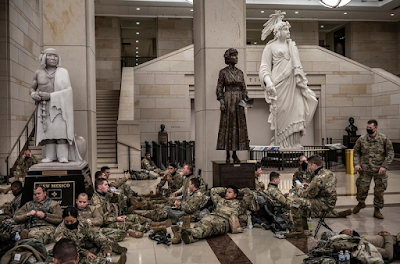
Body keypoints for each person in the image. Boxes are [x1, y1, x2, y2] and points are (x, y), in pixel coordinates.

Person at [259, 11, 317, 149]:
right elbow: (264, 67)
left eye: (288, 29)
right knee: (282, 114)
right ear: (278, 31)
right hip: (279, 85)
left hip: (294, 85)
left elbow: (298, 67)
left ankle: (294, 143)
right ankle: (281, 144)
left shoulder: (292, 47)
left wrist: (304, 84)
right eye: (285, 29)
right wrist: (269, 82)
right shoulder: (270, 47)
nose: (288, 31)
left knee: (298, 112)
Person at [30, 48, 82, 163]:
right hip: (44, 107)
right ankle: (50, 156)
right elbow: (32, 88)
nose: (53, 58)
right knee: (48, 133)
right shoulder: (38, 73)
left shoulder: (63, 72)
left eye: (55, 56)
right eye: (50, 56)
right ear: (44, 57)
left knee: (61, 132)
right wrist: (33, 94)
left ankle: (62, 156)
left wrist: (51, 96)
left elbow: (68, 91)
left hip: (60, 108)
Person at [180, 186, 253, 244]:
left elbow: (249, 193)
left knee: (210, 226)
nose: (227, 193)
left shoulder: (240, 204)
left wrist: (239, 190)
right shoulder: (220, 201)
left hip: (224, 220)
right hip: (213, 216)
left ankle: (191, 232)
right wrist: (225, 189)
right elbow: (213, 191)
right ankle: (190, 239)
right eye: (226, 192)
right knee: (202, 222)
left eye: (229, 192)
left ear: (235, 195)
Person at [55, 207, 127, 264]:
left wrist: (105, 246)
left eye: (72, 221)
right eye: (67, 221)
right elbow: (67, 249)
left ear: (77, 218)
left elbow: (94, 234)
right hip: (74, 254)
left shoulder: (83, 223)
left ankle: (112, 249)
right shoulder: (60, 231)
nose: (69, 223)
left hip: (87, 245)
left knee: (104, 242)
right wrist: (86, 253)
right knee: (89, 260)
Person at [353, 119, 394, 219]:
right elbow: (356, 152)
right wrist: (356, 164)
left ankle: (377, 210)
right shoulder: (362, 139)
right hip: (365, 169)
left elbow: (390, 153)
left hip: (379, 170)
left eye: (370, 128)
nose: (368, 130)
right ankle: (361, 203)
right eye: (367, 128)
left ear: (376, 128)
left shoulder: (383, 139)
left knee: (379, 191)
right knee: (361, 188)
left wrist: (384, 166)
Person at [291, 156, 352, 220]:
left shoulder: (318, 178)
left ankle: (330, 214)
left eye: (309, 166)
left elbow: (308, 195)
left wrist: (298, 188)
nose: (309, 168)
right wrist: (310, 185)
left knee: (296, 201)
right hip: (331, 201)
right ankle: (328, 213)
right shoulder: (329, 173)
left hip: (323, 203)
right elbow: (323, 186)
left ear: (313, 165)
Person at [216, 48, 249, 163]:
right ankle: (228, 153)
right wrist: (221, 101)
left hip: (238, 101)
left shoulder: (240, 72)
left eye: (236, 55)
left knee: (238, 126)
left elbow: (244, 87)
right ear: (229, 58)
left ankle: (235, 153)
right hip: (228, 99)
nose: (236, 58)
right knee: (229, 126)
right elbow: (220, 87)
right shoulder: (223, 72)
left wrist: (246, 98)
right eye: (234, 56)